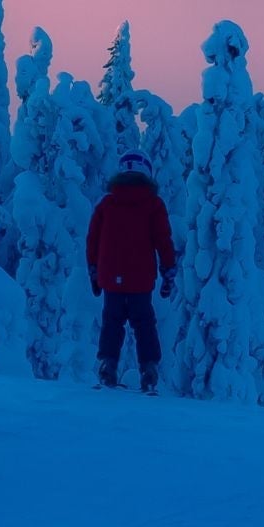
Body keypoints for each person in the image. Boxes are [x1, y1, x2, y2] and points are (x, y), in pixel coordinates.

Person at [85, 151, 179, 393]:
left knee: (111, 322)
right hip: (141, 278)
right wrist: (168, 270)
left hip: (110, 277)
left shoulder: (106, 204)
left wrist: (94, 272)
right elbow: (163, 241)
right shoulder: (153, 204)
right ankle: (148, 371)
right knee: (144, 323)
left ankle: (108, 367)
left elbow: (92, 241)